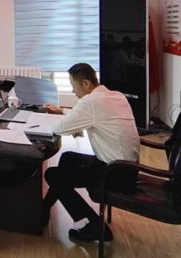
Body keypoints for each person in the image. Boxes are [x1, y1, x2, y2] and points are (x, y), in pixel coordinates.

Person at [41, 63, 140, 243]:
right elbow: (91, 115)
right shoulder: (116, 95)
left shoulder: (90, 102)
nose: (73, 91)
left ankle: (95, 227)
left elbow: (58, 128)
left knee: (52, 175)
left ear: (86, 84)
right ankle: (44, 208)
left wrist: (50, 120)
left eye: (74, 86)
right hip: (128, 168)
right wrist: (61, 110)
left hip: (113, 173)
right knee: (68, 157)